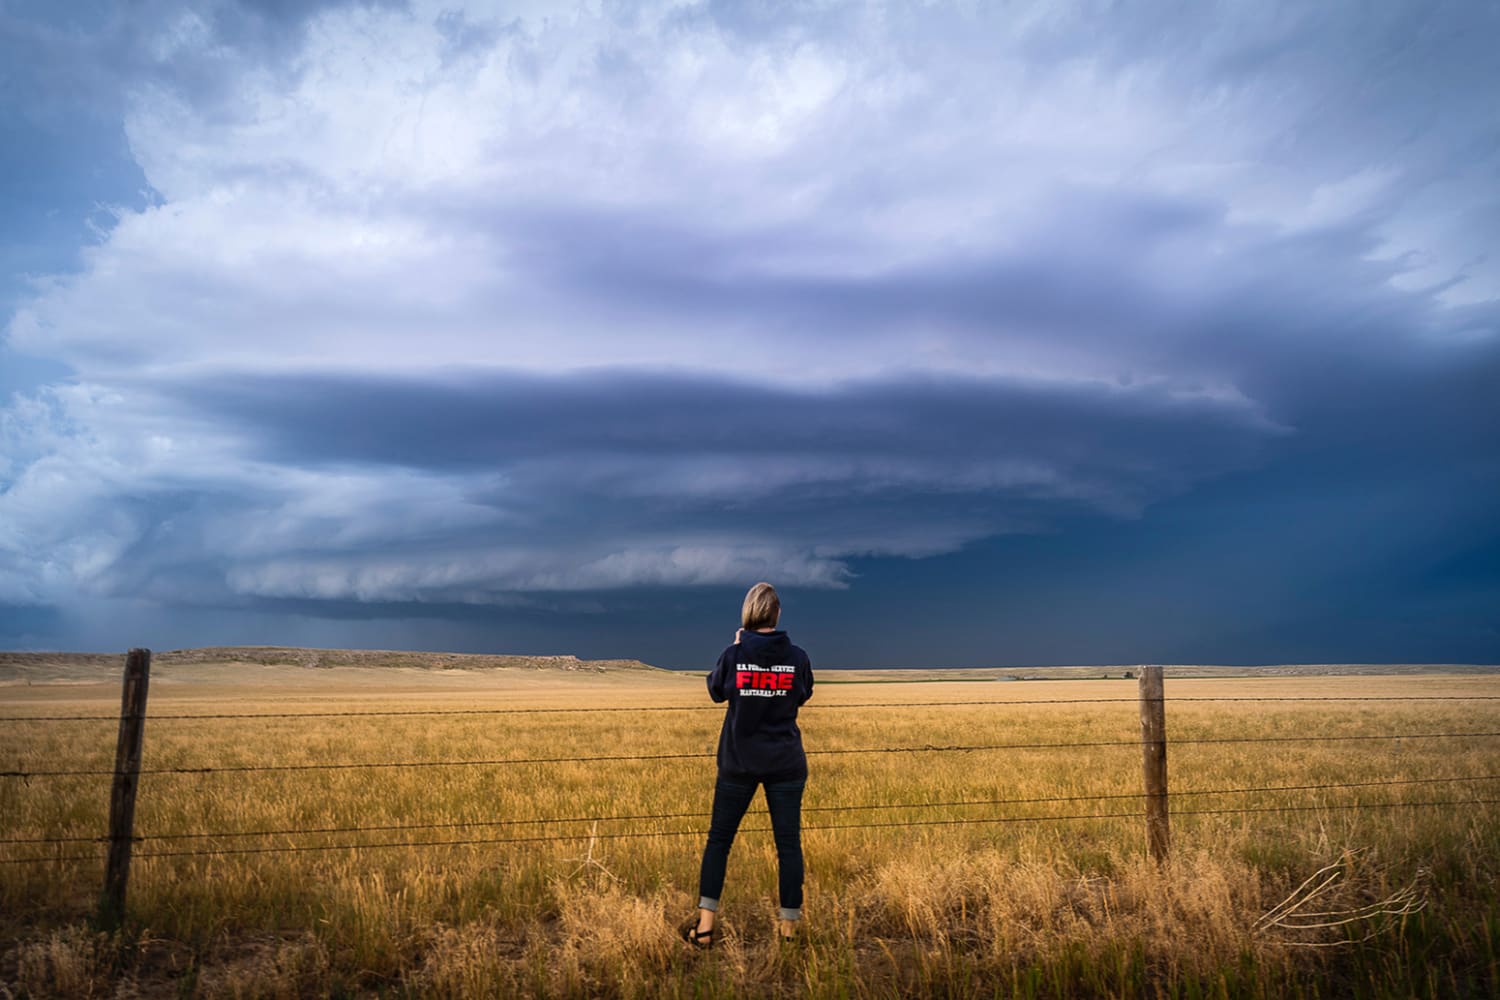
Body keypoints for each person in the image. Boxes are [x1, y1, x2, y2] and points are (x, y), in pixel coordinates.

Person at [683, 581, 814, 949]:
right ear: (777, 615)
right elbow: (803, 693)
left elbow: (714, 690)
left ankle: (705, 929)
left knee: (719, 842)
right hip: (786, 763)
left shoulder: (734, 655)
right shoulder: (798, 657)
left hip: (738, 764)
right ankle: (788, 932)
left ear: (748, 613)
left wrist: (738, 649)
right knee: (788, 846)